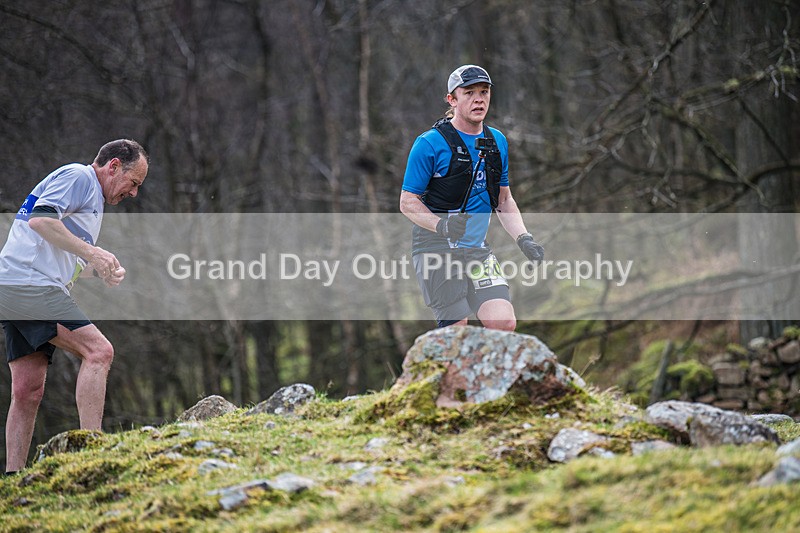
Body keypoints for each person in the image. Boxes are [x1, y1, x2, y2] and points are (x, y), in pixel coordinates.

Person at [1, 139, 149, 474]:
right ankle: (92, 452)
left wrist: (98, 271)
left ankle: (12, 477)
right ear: (113, 166)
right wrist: (93, 253)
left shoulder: (93, 201)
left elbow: (58, 246)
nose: (134, 193)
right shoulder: (79, 177)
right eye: (133, 182)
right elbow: (40, 220)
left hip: (14, 285)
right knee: (99, 352)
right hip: (29, 284)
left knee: (27, 391)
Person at [400, 65, 544, 330]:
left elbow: (503, 200)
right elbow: (407, 201)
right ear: (452, 100)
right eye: (469, 93)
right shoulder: (430, 143)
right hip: (436, 249)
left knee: (503, 323)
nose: (479, 99)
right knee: (456, 333)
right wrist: (441, 226)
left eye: (484, 92)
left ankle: (493, 373)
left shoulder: (496, 141)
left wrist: (524, 238)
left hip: (476, 249)